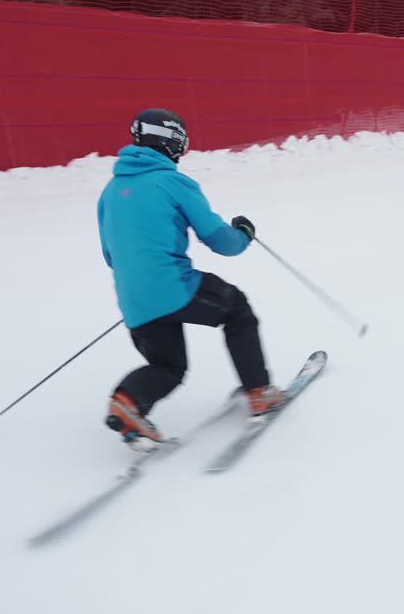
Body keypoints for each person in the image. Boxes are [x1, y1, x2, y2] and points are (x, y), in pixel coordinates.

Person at [97, 108, 284, 451]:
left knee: (167, 367)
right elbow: (220, 240)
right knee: (236, 309)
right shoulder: (173, 183)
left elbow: (111, 255)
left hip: (133, 300)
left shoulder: (110, 192)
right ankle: (260, 392)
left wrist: (142, 285)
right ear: (172, 141)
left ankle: (127, 403)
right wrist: (243, 233)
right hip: (174, 286)